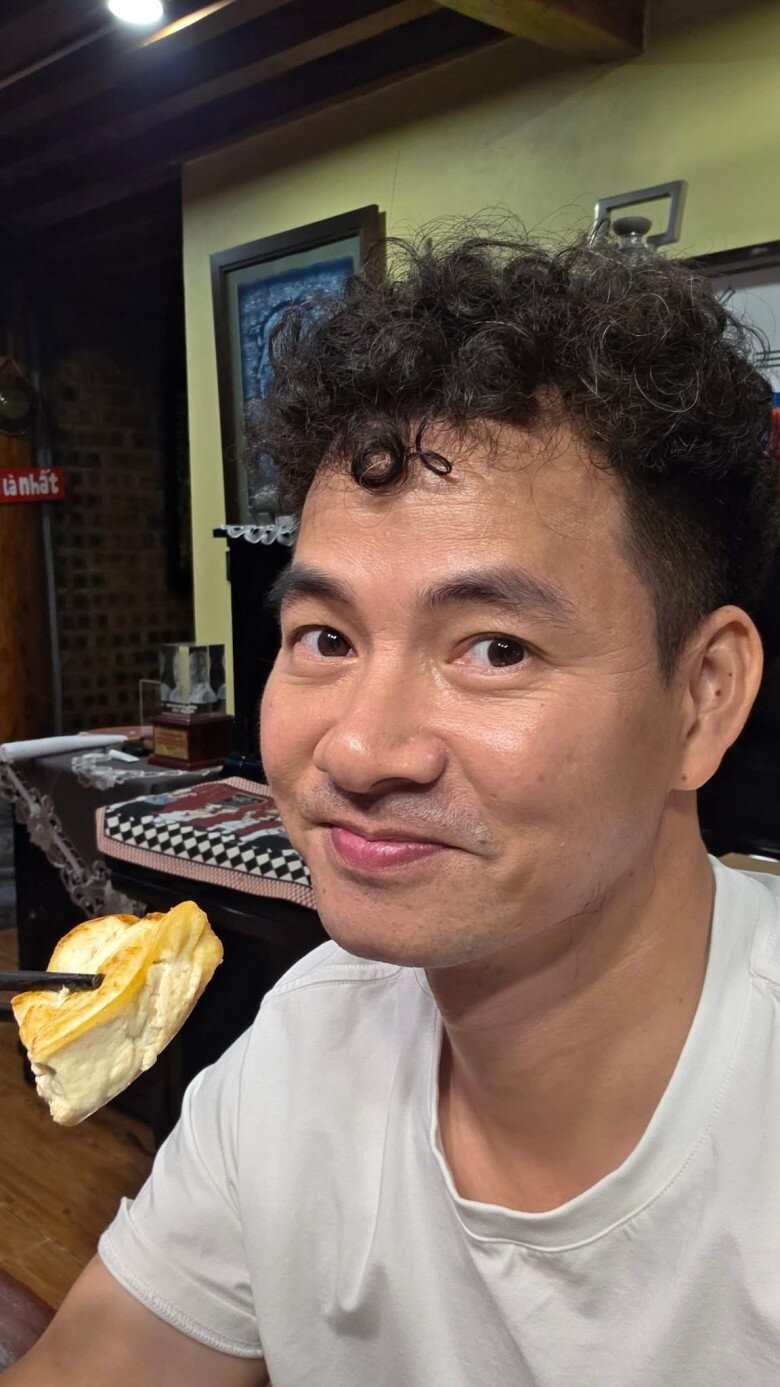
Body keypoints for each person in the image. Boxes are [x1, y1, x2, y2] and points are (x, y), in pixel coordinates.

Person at [7, 232, 780, 1385]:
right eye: (326, 637)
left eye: (496, 648)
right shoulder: (308, 1043)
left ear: (702, 696)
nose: (360, 749)